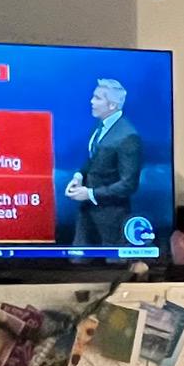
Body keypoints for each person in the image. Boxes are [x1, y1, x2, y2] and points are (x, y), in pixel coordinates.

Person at [65, 77, 142, 247]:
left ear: (112, 105)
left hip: (112, 218)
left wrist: (90, 193)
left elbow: (129, 184)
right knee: (77, 262)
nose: (91, 102)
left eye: (97, 98)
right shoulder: (101, 126)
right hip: (86, 213)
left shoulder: (128, 136)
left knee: (113, 269)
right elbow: (94, 159)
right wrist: (79, 176)